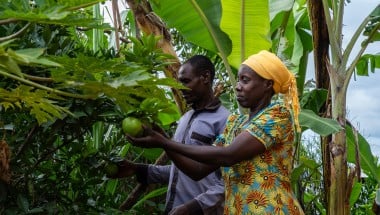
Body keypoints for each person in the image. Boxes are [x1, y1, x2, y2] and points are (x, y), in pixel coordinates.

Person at [128, 50, 305, 214]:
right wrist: (163, 141)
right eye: (238, 80)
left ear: (267, 84)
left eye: (245, 80)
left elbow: (228, 155)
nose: (237, 86)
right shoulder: (236, 124)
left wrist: (164, 142)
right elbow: (198, 170)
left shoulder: (277, 116)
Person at [113, 55, 230, 215]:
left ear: (205, 77)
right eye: (179, 82)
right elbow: (180, 171)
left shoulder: (226, 121)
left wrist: (193, 207)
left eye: (186, 81)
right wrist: (138, 169)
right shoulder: (185, 118)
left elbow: (228, 181)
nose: (180, 88)